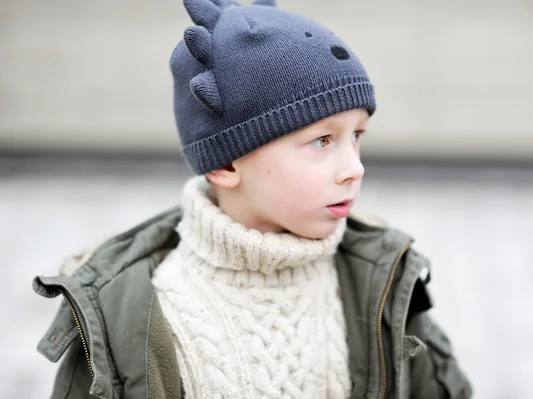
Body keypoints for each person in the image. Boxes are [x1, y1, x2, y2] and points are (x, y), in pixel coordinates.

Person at [33, 0, 473, 397]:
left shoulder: (382, 277)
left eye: (356, 136)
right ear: (226, 164)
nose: (354, 168)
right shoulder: (128, 316)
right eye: (322, 141)